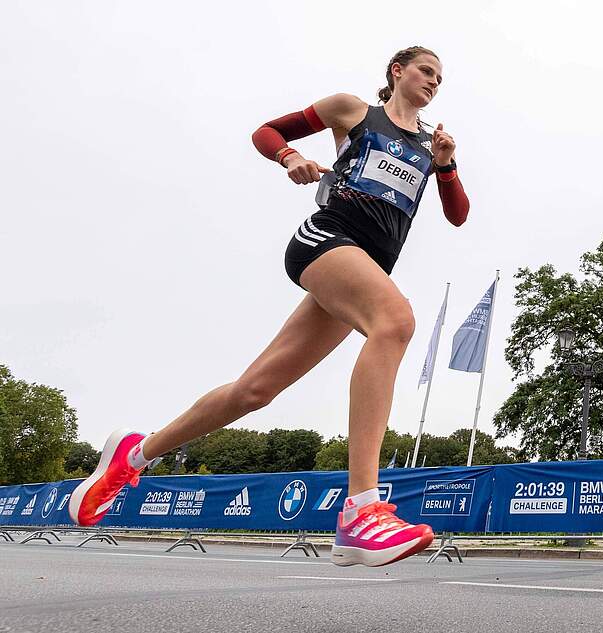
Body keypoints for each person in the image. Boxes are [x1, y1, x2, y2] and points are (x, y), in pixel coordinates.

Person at [68, 46, 470, 568]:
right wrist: (292, 158)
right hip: (326, 240)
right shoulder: (354, 111)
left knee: (255, 390)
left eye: (441, 78)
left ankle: (135, 455)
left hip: (363, 270)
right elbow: (267, 131)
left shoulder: (426, 145)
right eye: (426, 71)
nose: (434, 82)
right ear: (397, 71)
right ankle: (361, 510)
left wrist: (446, 165)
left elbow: (457, 215)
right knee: (394, 322)